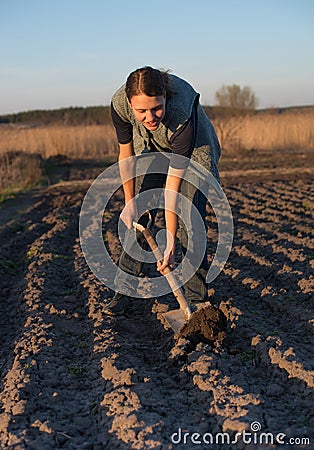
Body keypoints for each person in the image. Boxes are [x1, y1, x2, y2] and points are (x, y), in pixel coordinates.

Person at [104, 66, 221, 315]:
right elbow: (126, 155)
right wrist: (130, 201)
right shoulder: (119, 105)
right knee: (141, 213)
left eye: (156, 108)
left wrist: (169, 238)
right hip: (151, 147)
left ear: (166, 97)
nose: (150, 117)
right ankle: (124, 291)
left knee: (191, 218)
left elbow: (173, 188)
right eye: (141, 111)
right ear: (129, 103)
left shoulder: (181, 113)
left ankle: (196, 300)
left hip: (193, 151)